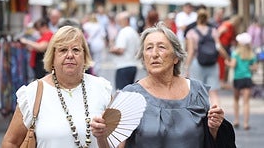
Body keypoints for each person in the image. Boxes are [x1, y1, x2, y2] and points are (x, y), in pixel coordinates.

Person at [91, 23, 235, 148]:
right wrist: (101, 136)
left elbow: (210, 141)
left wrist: (215, 128)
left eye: (161, 47)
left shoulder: (197, 91)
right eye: (148, 48)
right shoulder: (130, 95)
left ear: (176, 57)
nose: (154, 54)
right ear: (143, 57)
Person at [1, 26, 112, 147]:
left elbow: (117, 142)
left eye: (76, 50)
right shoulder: (32, 93)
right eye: (63, 50)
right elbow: (10, 142)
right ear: (52, 57)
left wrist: (102, 136)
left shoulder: (102, 88)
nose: (70, 55)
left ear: (84, 56)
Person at [185, 9, 229, 106]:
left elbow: (191, 51)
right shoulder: (213, 31)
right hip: (212, 63)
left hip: (197, 63)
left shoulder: (191, 32)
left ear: (197, 19)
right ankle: (216, 115)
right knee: (213, 93)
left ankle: (200, 118)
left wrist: (187, 67)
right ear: (207, 19)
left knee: (198, 92)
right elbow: (218, 47)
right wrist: (227, 57)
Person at [225, 32, 258, 130]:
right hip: (247, 79)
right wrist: (249, 67)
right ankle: (246, 123)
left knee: (236, 99)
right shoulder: (251, 54)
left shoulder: (236, 53)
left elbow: (233, 65)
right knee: (246, 102)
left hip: (237, 79)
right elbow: (255, 67)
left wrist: (227, 63)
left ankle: (236, 120)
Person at [109, 11, 140, 90]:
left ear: (126, 20)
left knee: (121, 93)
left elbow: (121, 50)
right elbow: (138, 50)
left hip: (123, 65)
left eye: (119, 20)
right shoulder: (134, 32)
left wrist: (112, 49)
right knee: (129, 93)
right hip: (133, 65)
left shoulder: (123, 32)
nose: (118, 22)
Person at [217, 15, 243, 88]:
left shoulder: (232, 28)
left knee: (226, 64)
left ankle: (224, 81)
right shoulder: (227, 25)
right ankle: (221, 81)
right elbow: (218, 34)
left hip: (227, 47)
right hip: (222, 46)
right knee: (222, 63)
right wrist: (218, 44)